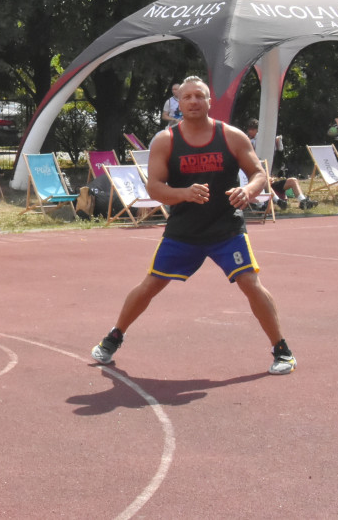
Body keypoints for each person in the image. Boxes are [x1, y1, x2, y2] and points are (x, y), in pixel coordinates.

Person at [90, 76, 296, 375]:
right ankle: (114, 336)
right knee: (151, 284)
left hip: (226, 228)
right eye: (187, 97)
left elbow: (258, 173)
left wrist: (248, 191)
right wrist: (183, 194)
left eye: (199, 96)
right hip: (184, 231)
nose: (194, 102)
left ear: (209, 101)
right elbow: (155, 188)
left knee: (250, 283)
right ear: (179, 102)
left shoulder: (231, 135)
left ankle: (282, 350)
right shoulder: (167, 140)